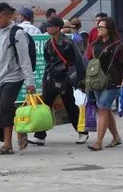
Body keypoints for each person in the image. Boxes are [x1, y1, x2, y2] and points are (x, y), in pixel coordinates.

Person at [28, 17, 89, 146]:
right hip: (51, 79)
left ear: (58, 27)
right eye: (47, 26)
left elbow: (78, 62)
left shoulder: (68, 43)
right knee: (44, 106)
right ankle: (40, 136)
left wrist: (81, 81)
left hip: (64, 79)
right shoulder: (48, 44)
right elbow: (47, 62)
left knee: (70, 106)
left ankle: (82, 132)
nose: (47, 28)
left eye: (50, 26)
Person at [0, 2, 35, 155]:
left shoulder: (17, 33)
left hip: (14, 76)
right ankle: (20, 129)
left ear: (9, 16)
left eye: (0, 17)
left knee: (5, 107)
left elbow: (25, 60)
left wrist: (30, 82)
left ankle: (8, 145)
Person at [86, 17, 123, 151]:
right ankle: (116, 137)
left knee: (103, 108)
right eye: (97, 27)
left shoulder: (117, 45)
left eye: (101, 27)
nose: (98, 29)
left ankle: (98, 142)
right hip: (97, 81)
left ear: (109, 29)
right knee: (105, 109)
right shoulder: (95, 44)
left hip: (112, 81)